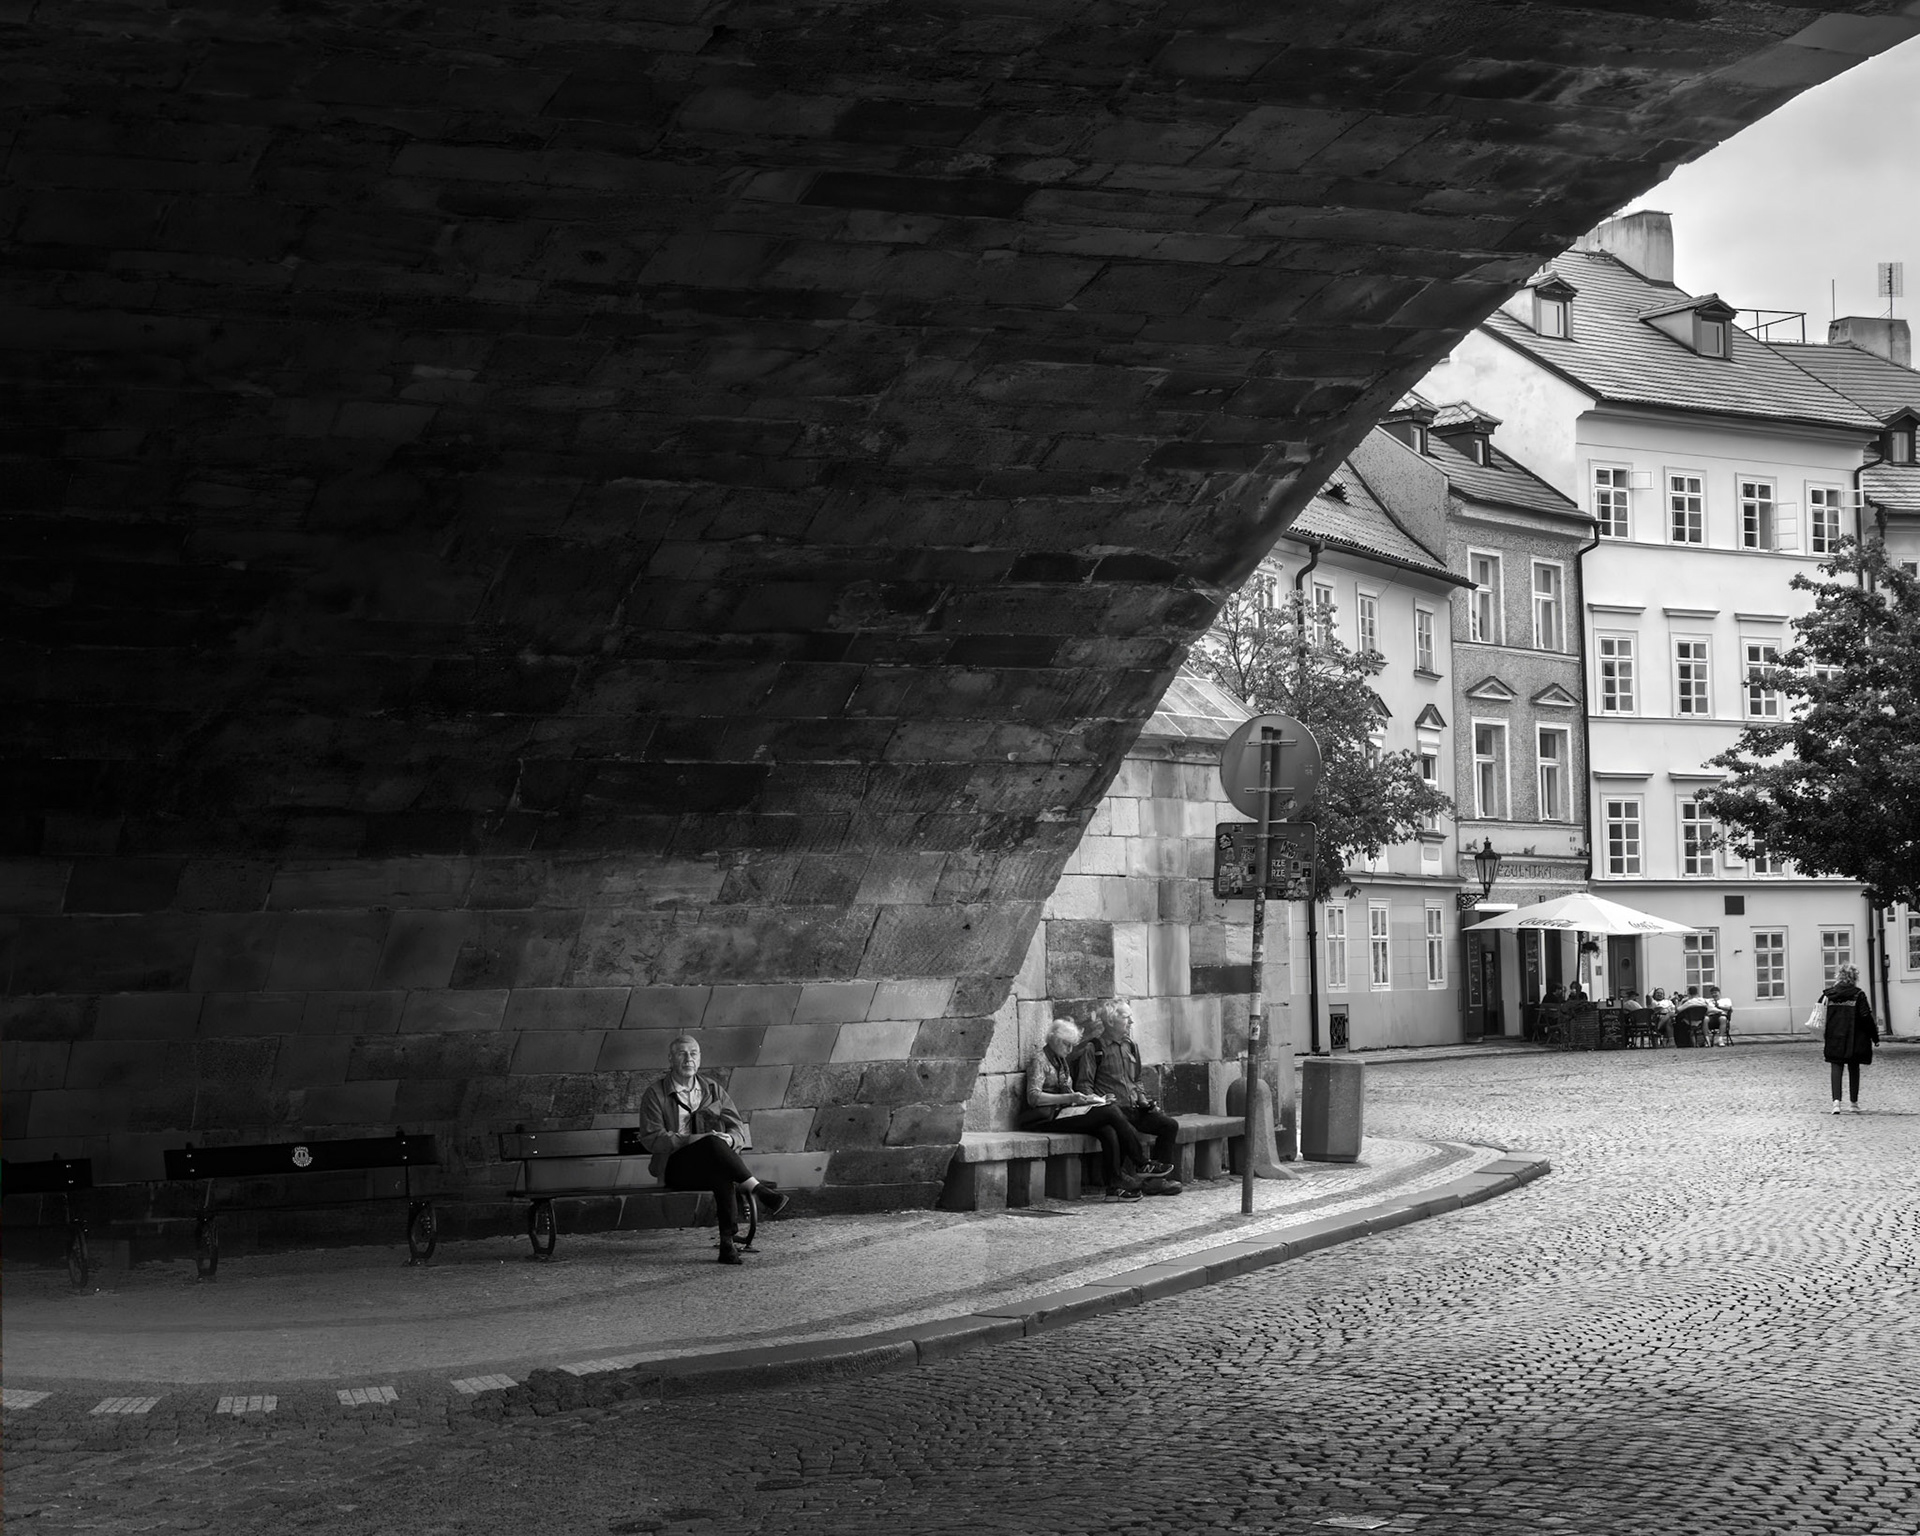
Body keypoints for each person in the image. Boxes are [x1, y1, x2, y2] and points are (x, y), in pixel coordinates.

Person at [638, 1034, 788, 1265]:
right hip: (675, 1168)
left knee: (722, 1173)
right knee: (709, 1144)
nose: (688, 1058)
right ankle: (757, 1189)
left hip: (710, 1164)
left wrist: (729, 1139)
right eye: (682, 1053)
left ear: (700, 1059)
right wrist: (693, 1140)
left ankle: (727, 1245)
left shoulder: (712, 1089)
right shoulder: (655, 1094)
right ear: (670, 1059)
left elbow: (737, 1127)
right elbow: (652, 1138)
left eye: (693, 1053)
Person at [1020, 1018, 1174, 1202]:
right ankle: (1141, 1163)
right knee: (1110, 1112)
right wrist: (1069, 1098)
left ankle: (1114, 1187)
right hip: (1046, 1118)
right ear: (1055, 1040)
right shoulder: (1040, 1060)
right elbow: (1034, 1097)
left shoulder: (1060, 1061)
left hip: (1065, 1112)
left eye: (1072, 1046)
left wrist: (1089, 1099)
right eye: (1067, 1045)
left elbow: (1069, 1091)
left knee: (1107, 1129)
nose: (1070, 1050)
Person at [1071, 1000, 1184, 1196]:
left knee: (1169, 1125)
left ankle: (1155, 1181)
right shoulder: (1094, 1048)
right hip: (1114, 1109)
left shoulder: (1131, 1046)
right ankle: (1126, 1177)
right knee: (1125, 1129)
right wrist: (1099, 1101)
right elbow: (1084, 1085)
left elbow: (1137, 1079)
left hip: (1134, 1107)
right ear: (1111, 1021)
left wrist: (1142, 1098)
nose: (1131, 1021)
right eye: (1126, 1017)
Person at [1819, 965, 1880, 1114]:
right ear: (1854, 978)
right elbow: (1866, 1017)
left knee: (1836, 1067)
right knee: (1854, 1068)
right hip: (1854, 1037)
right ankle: (1853, 1103)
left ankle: (1836, 1103)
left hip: (1834, 1036)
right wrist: (1874, 1037)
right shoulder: (1858, 995)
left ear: (1839, 976)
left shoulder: (1829, 995)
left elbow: (1819, 1011)